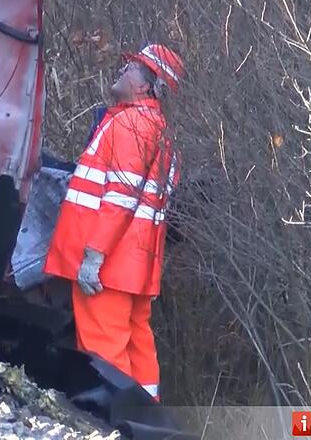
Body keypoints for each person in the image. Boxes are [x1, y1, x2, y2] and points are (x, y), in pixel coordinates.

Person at [43, 43, 185, 402]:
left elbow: (120, 199)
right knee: (137, 345)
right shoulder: (161, 131)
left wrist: (93, 257)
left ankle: (115, 423)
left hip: (109, 266)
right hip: (134, 266)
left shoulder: (132, 124)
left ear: (148, 86)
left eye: (133, 67)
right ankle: (148, 421)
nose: (123, 70)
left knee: (103, 352)